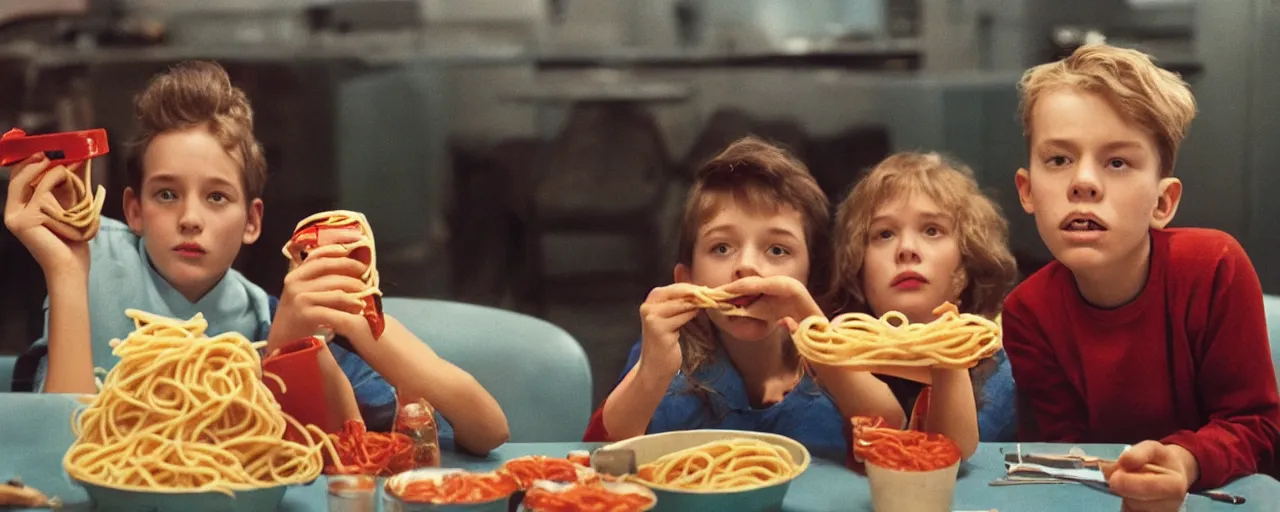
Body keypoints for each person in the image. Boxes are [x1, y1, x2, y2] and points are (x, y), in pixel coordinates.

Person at [1003, 43, 1280, 508]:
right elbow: (1063, 459)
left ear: (1163, 202)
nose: (1083, 182)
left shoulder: (1215, 267)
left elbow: (1257, 425)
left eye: (1117, 162)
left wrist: (1184, 460)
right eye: (1058, 160)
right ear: (1028, 192)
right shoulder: (1026, 311)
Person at [582, 136, 903, 462]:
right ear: (687, 279)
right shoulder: (664, 355)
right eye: (722, 248)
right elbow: (602, 461)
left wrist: (823, 349)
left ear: (811, 278)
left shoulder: (838, 357)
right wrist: (651, 374)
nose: (746, 265)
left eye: (777, 249)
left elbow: (897, 443)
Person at [824, 152, 1019, 449]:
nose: (906, 249)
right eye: (884, 234)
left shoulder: (1003, 372)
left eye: (932, 230)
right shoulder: (822, 367)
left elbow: (952, 457)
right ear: (857, 267)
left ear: (967, 261)